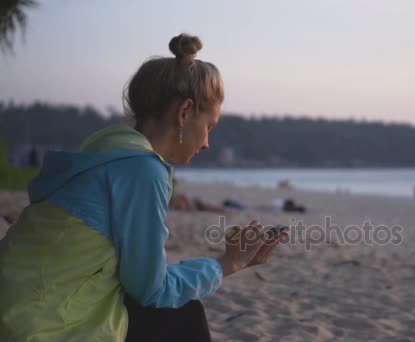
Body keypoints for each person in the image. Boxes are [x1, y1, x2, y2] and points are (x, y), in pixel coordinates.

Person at [0, 34, 285, 342]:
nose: (206, 143)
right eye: (209, 127)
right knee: (182, 316)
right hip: (39, 328)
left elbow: (136, 280)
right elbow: (151, 289)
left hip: (16, 306)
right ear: (185, 112)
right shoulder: (143, 171)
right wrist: (229, 262)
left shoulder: (104, 151)